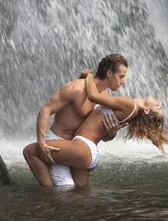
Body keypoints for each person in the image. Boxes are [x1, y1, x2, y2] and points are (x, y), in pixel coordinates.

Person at [23, 71, 168, 188]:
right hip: (88, 152)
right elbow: (88, 110)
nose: (158, 101)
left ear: (147, 111)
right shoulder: (124, 109)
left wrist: (89, 76)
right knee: (75, 192)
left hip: (82, 147)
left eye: (158, 106)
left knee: (30, 151)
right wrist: (111, 133)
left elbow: (93, 96)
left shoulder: (130, 105)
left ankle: (47, 194)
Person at [32, 54, 130, 187]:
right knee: (65, 187)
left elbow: (102, 136)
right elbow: (45, 111)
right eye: (121, 77)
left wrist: (111, 133)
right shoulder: (76, 88)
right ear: (109, 73)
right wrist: (41, 142)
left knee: (81, 190)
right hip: (58, 141)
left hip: (76, 148)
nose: (123, 82)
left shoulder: (104, 99)